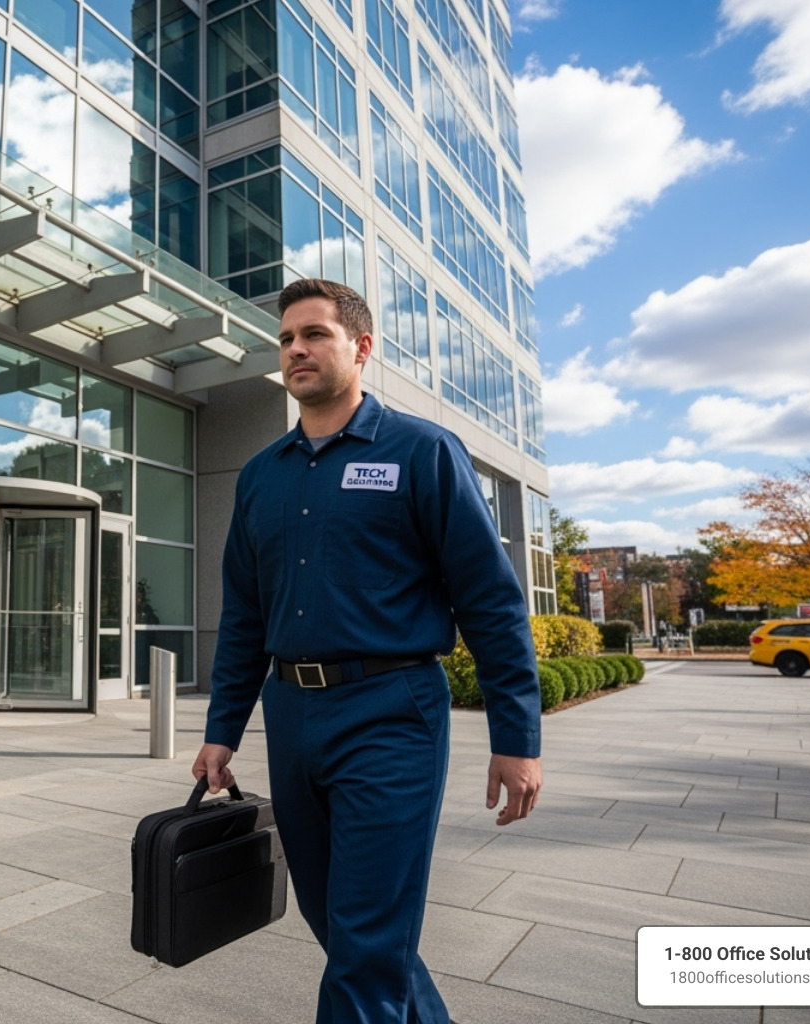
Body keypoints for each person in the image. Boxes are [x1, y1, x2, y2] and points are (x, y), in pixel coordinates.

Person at [192, 279, 542, 1024]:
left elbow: (491, 601)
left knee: (366, 940)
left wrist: (516, 737)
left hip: (392, 712)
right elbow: (245, 616)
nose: (296, 349)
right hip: (292, 715)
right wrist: (223, 729)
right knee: (340, 924)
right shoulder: (260, 476)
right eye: (286, 339)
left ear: (362, 348)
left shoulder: (423, 452)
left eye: (314, 334)